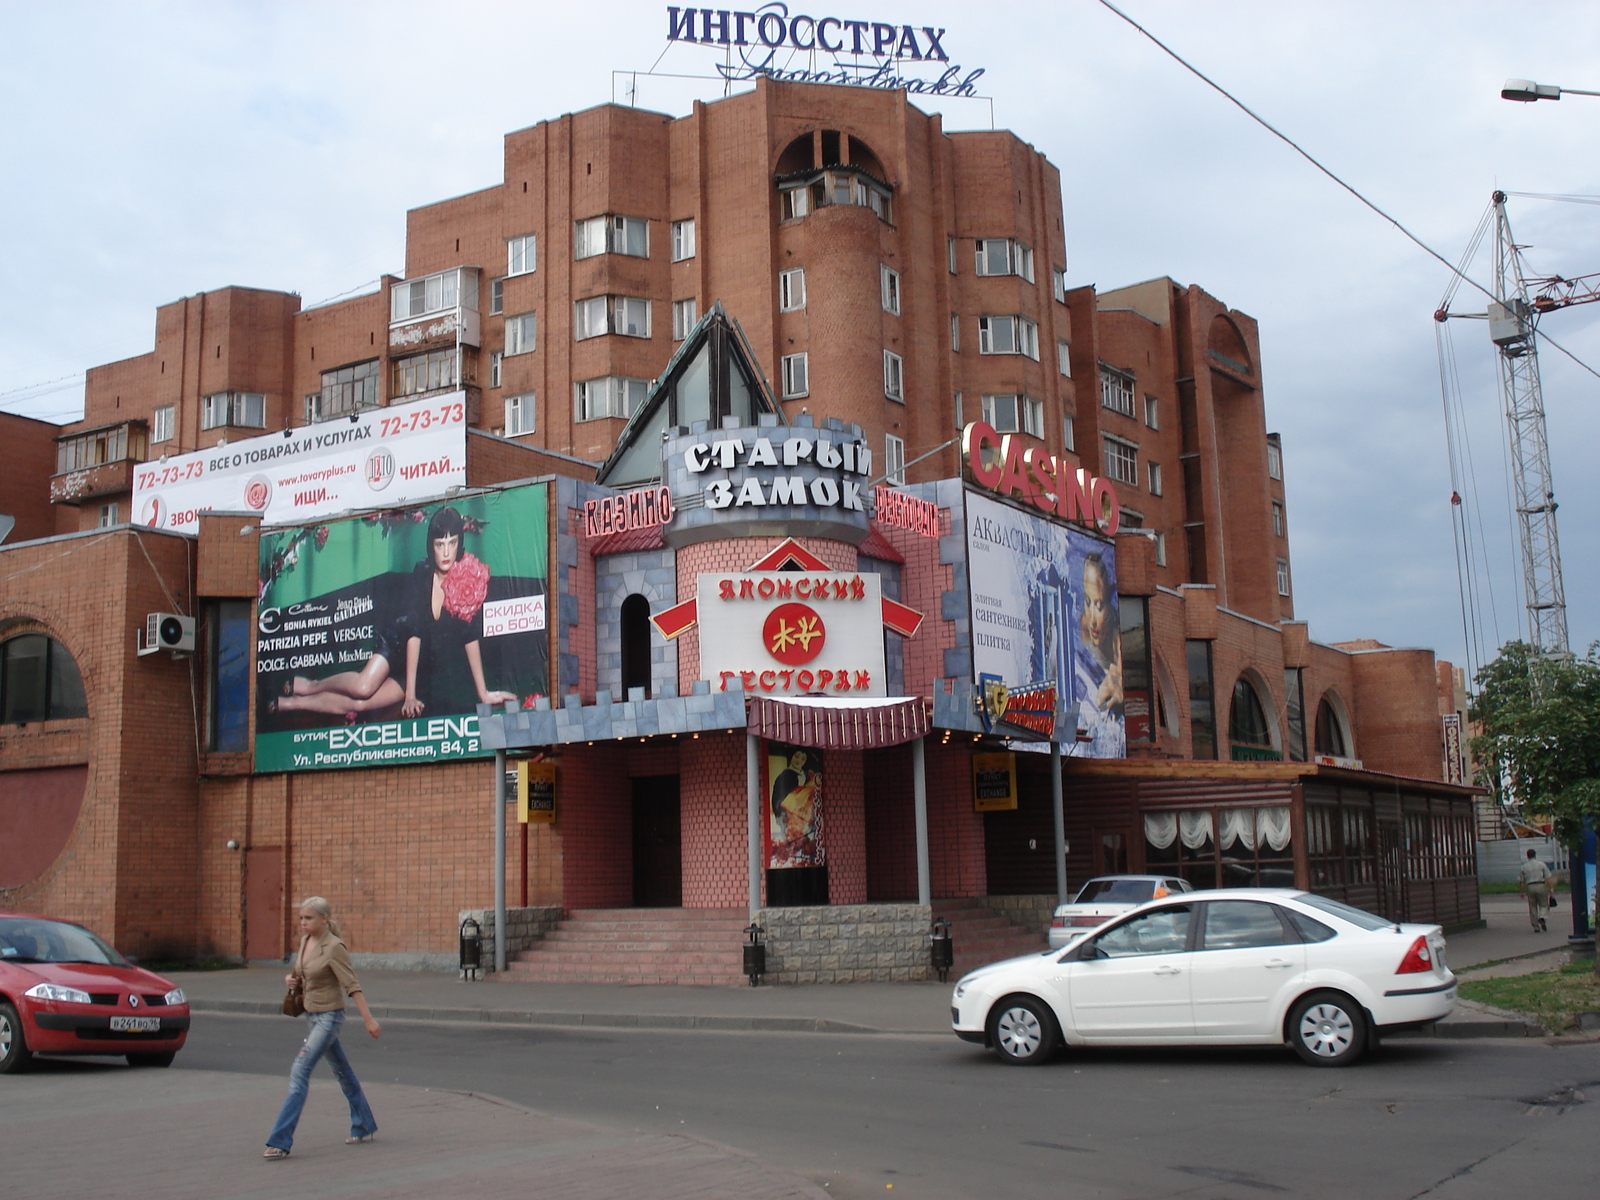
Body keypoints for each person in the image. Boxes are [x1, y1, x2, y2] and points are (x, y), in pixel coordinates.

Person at [273, 506, 516, 720]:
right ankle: (311, 685)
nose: (445, 553)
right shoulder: (422, 570)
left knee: (361, 704)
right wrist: (409, 696)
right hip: (400, 643)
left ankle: (295, 703)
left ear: (459, 545)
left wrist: (483, 693)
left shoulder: (468, 577)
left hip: (422, 665)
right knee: (362, 687)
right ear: (431, 546)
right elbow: (414, 632)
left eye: (452, 544)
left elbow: (469, 635)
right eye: (439, 544)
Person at [263, 897, 380, 1160]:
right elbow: (299, 973)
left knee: (299, 1070)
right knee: (343, 1071)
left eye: (309, 918)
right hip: (311, 1015)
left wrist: (369, 1020)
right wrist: (289, 979)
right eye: (302, 918)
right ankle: (363, 1123)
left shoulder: (334, 947)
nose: (303, 923)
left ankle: (280, 1141)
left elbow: (352, 985)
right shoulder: (305, 942)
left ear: (324, 919)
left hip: (330, 1018)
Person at [1518, 847, 1554, 933]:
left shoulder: (1524, 867)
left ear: (1527, 856)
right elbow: (1548, 877)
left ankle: (1535, 927)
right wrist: (1551, 887)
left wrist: (1522, 892)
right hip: (1541, 885)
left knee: (1532, 907)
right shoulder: (1541, 864)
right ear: (1535, 855)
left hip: (1530, 887)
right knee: (1544, 904)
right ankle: (1542, 917)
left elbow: (1522, 882)